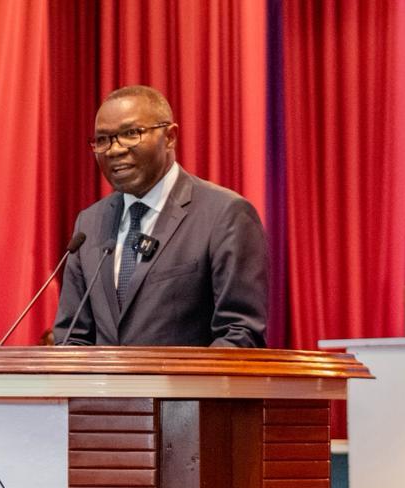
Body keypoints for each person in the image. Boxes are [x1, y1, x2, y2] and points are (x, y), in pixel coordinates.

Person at [53, 85, 268, 347]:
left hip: (187, 388)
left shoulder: (224, 214)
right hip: (103, 389)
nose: (114, 150)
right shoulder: (88, 224)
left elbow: (240, 334)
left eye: (131, 134)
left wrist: (177, 387)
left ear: (170, 137)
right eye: (102, 140)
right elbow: (72, 337)